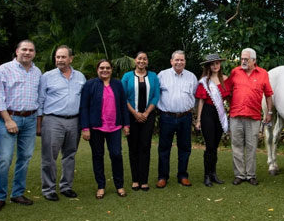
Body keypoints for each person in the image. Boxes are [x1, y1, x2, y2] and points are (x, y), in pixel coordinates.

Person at [0, 40, 42, 214]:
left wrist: (37, 120)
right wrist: (7, 120)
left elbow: (39, 98)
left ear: (34, 53)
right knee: (4, 158)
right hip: (9, 118)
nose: (27, 52)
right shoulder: (4, 69)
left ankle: (17, 193)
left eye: (31, 50)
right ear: (17, 51)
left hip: (30, 118)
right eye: (24, 49)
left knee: (25, 157)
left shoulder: (37, 72)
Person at [37, 45, 86, 201]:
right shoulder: (47, 76)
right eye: (57, 57)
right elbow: (40, 101)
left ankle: (66, 186)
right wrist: (39, 124)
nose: (60, 60)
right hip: (53, 120)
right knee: (49, 156)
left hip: (74, 121)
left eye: (63, 57)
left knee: (70, 155)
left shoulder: (80, 77)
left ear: (71, 59)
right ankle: (49, 189)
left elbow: (84, 101)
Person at [80, 59, 130, 199]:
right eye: (102, 68)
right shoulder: (90, 85)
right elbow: (84, 107)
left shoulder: (117, 84)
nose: (105, 70)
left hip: (114, 126)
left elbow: (123, 105)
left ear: (111, 70)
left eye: (107, 68)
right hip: (96, 127)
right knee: (98, 156)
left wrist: (126, 125)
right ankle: (101, 186)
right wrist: (85, 127)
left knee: (116, 155)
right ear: (97, 69)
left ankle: (119, 185)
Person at [224, 47, 273, 186]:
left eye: (246, 59)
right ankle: (239, 175)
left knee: (252, 147)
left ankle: (251, 175)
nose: (243, 61)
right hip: (236, 115)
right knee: (237, 146)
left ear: (254, 60)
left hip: (254, 117)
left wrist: (269, 112)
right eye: (242, 58)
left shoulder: (263, 73)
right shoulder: (235, 72)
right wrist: (230, 102)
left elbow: (269, 94)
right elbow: (226, 89)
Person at [156, 50, 198, 188]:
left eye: (182, 60)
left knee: (185, 148)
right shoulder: (162, 75)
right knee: (164, 148)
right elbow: (156, 94)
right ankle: (163, 177)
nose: (179, 62)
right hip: (166, 116)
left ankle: (183, 175)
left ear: (185, 61)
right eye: (177, 60)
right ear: (171, 61)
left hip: (185, 117)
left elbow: (195, 97)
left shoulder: (191, 77)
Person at [121, 51, 160, 192]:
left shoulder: (154, 77)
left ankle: (144, 180)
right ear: (135, 61)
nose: (142, 61)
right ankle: (135, 180)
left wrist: (146, 113)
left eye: (144, 59)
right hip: (132, 116)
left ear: (147, 62)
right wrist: (135, 113)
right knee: (133, 148)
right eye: (139, 59)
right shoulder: (127, 77)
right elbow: (123, 97)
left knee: (145, 147)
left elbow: (156, 96)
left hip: (148, 117)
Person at [194, 53, 230, 187]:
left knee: (215, 146)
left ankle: (213, 174)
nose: (215, 66)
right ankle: (206, 175)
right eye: (213, 63)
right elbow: (201, 101)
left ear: (220, 65)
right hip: (207, 114)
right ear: (208, 66)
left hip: (219, 115)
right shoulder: (204, 81)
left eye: (217, 63)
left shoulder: (225, 79)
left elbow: (227, 99)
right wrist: (198, 120)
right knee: (209, 146)